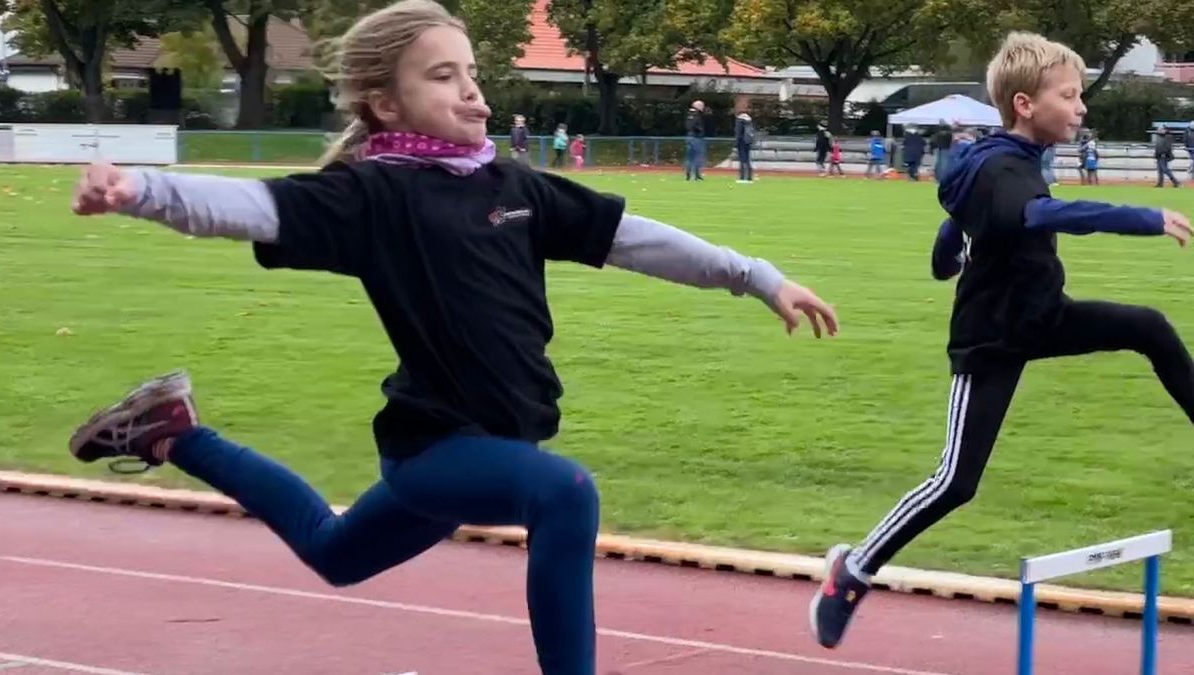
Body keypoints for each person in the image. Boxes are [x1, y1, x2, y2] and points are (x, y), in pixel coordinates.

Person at [65, 3, 840, 674]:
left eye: (469, 70)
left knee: (335, 553)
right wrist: (137, 190)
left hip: (500, 441)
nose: (470, 87)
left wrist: (758, 276)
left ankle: (175, 430)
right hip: (436, 449)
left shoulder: (514, 185)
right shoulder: (375, 194)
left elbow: (634, 238)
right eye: (441, 75)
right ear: (386, 105)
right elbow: (253, 208)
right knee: (565, 493)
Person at [810, 30, 1194, 650]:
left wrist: (954, 242)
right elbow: (1042, 214)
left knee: (1148, 327)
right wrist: (1141, 217)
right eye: (1069, 96)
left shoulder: (999, 160)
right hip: (993, 340)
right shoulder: (1002, 166)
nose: (1081, 107)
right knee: (954, 483)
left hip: (1045, 315)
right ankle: (851, 573)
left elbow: (951, 241)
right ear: (1024, 104)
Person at [685, 100, 707, 181]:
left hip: (689, 137)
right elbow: (695, 126)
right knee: (697, 156)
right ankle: (696, 175)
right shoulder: (697, 115)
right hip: (696, 137)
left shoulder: (689, 115)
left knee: (689, 157)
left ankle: (688, 174)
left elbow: (687, 126)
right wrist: (700, 130)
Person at [735, 111, 756, 183]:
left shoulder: (739, 121)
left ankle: (743, 177)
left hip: (741, 142)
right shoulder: (749, 120)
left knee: (742, 159)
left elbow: (738, 133)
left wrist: (736, 143)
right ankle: (749, 176)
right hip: (748, 142)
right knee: (747, 159)